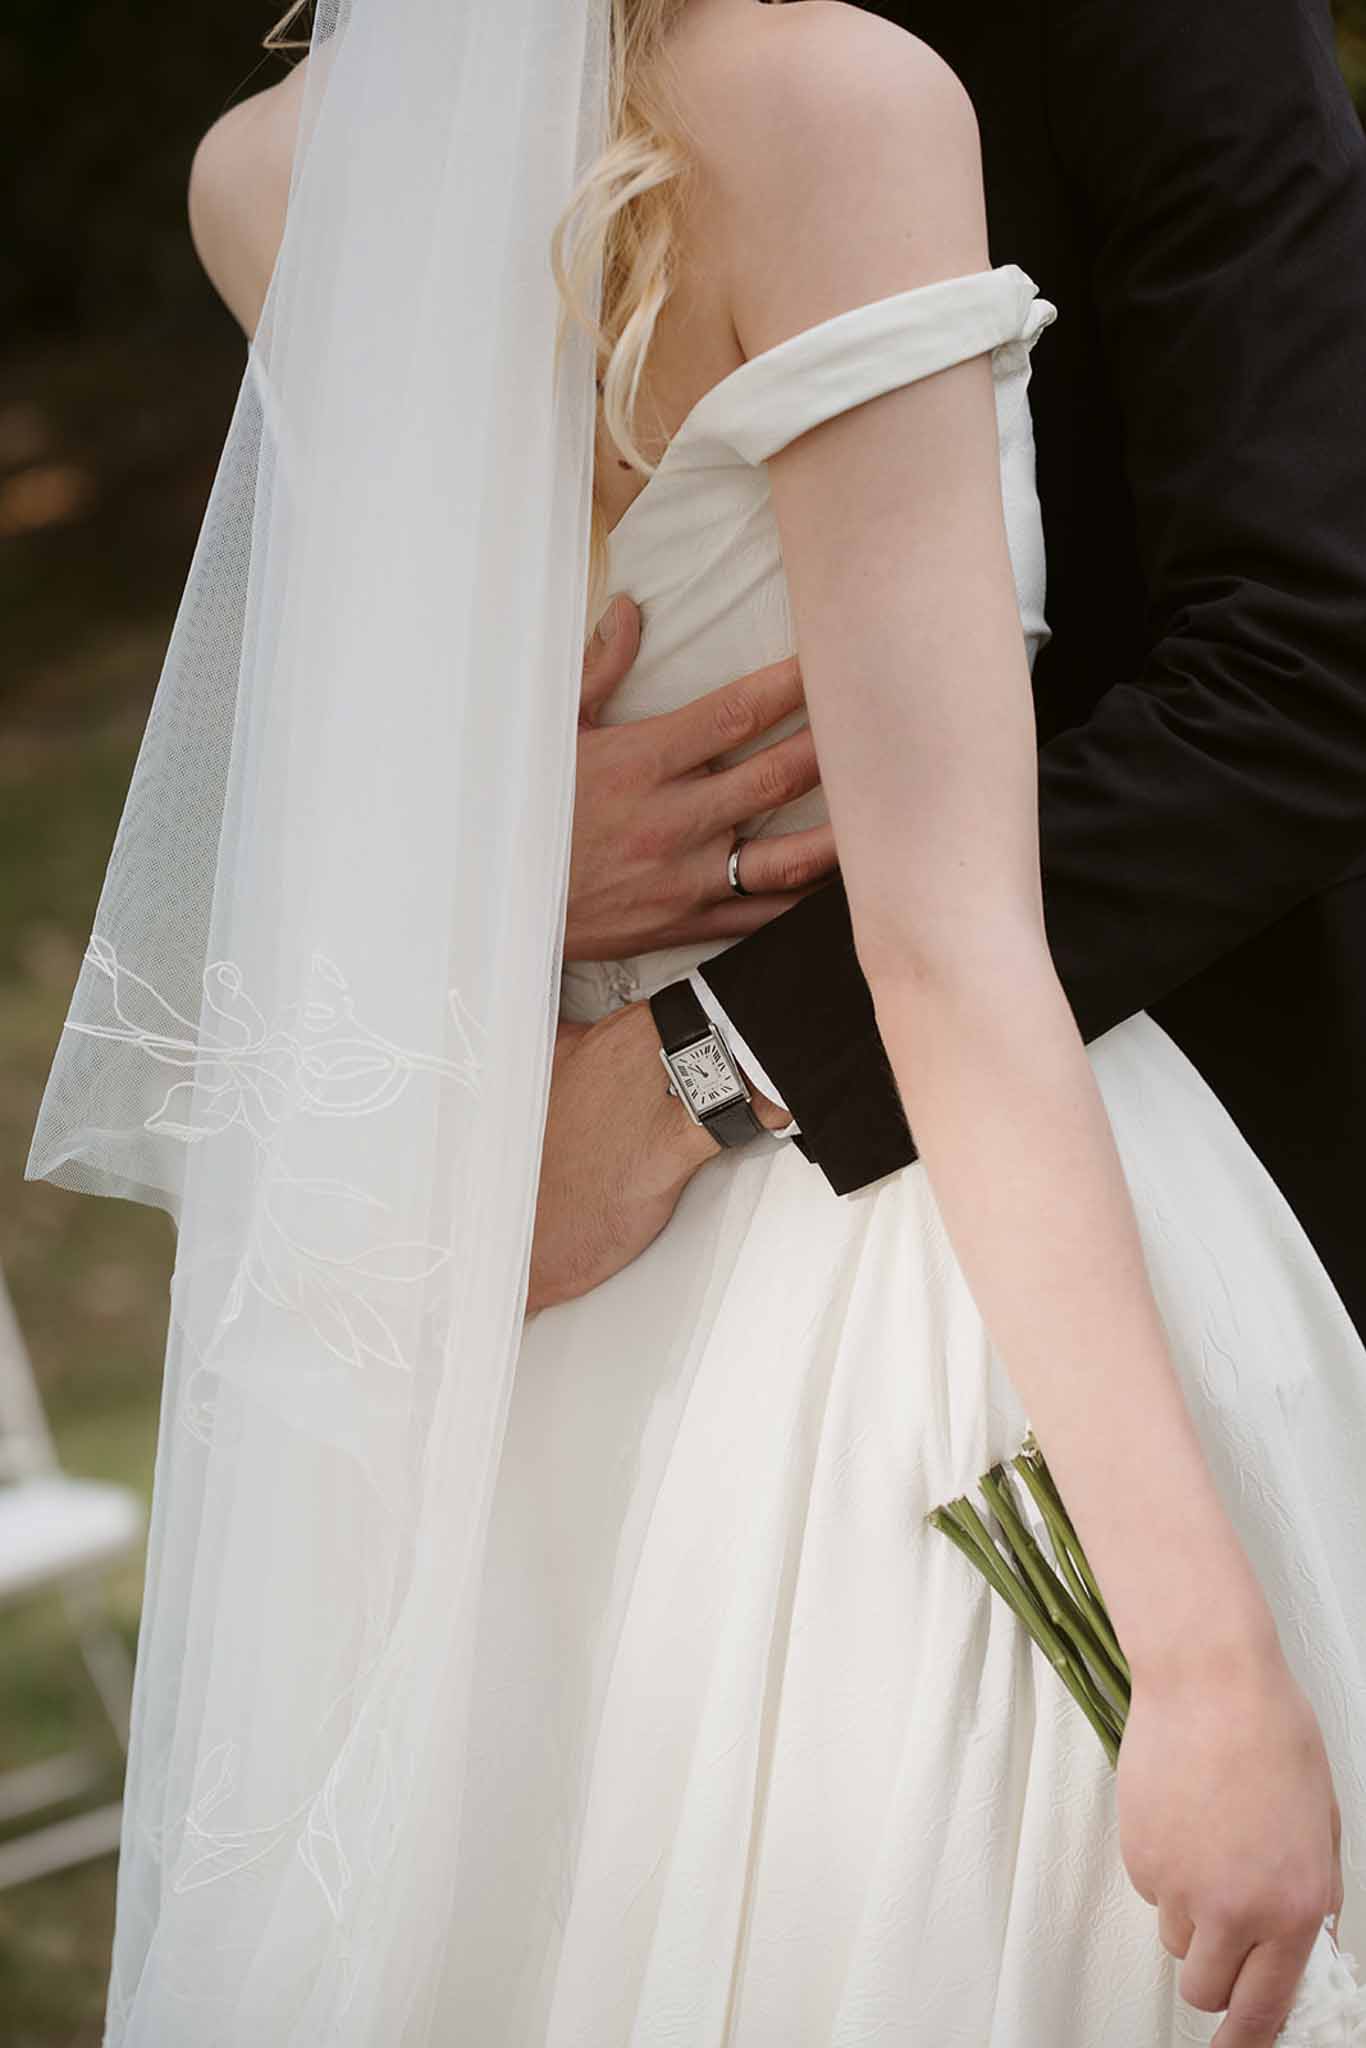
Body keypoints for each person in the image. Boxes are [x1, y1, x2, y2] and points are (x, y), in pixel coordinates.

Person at [34, 0, 1366, 2042]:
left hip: (538, 1312)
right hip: (924, 1270)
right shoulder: (833, 100)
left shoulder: (275, 169)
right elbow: (943, 944)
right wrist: (1194, 1655)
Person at [526, 0, 1366, 1354]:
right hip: (573, 1248)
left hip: (1192, 1126)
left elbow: (1317, 663)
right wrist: (491, 866)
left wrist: (681, 1075)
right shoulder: (369, 133)